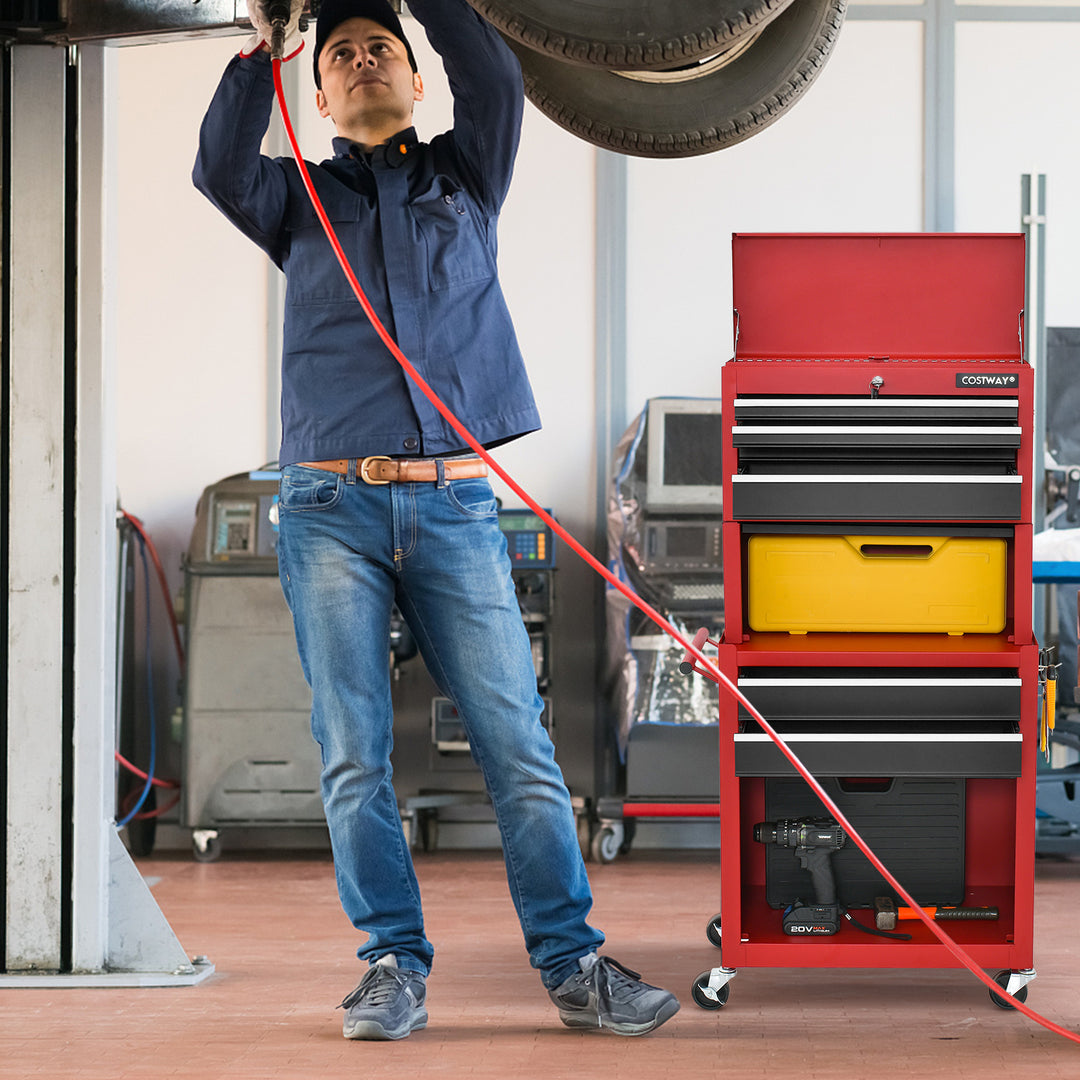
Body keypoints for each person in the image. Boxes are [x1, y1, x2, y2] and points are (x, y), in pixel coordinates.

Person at [193, 0, 679, 1042]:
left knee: (516, 740)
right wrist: (266, 45)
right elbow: (219, 169)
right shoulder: (294, 201)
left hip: (456, 506)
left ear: (415, 81)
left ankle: (573, 964)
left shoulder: (468, 175)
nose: (363, 61)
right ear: (318, 98)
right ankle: (391, 967)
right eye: (342, 57)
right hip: (327, 510)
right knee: (355, 751)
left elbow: (496, 77)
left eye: (382, 52)